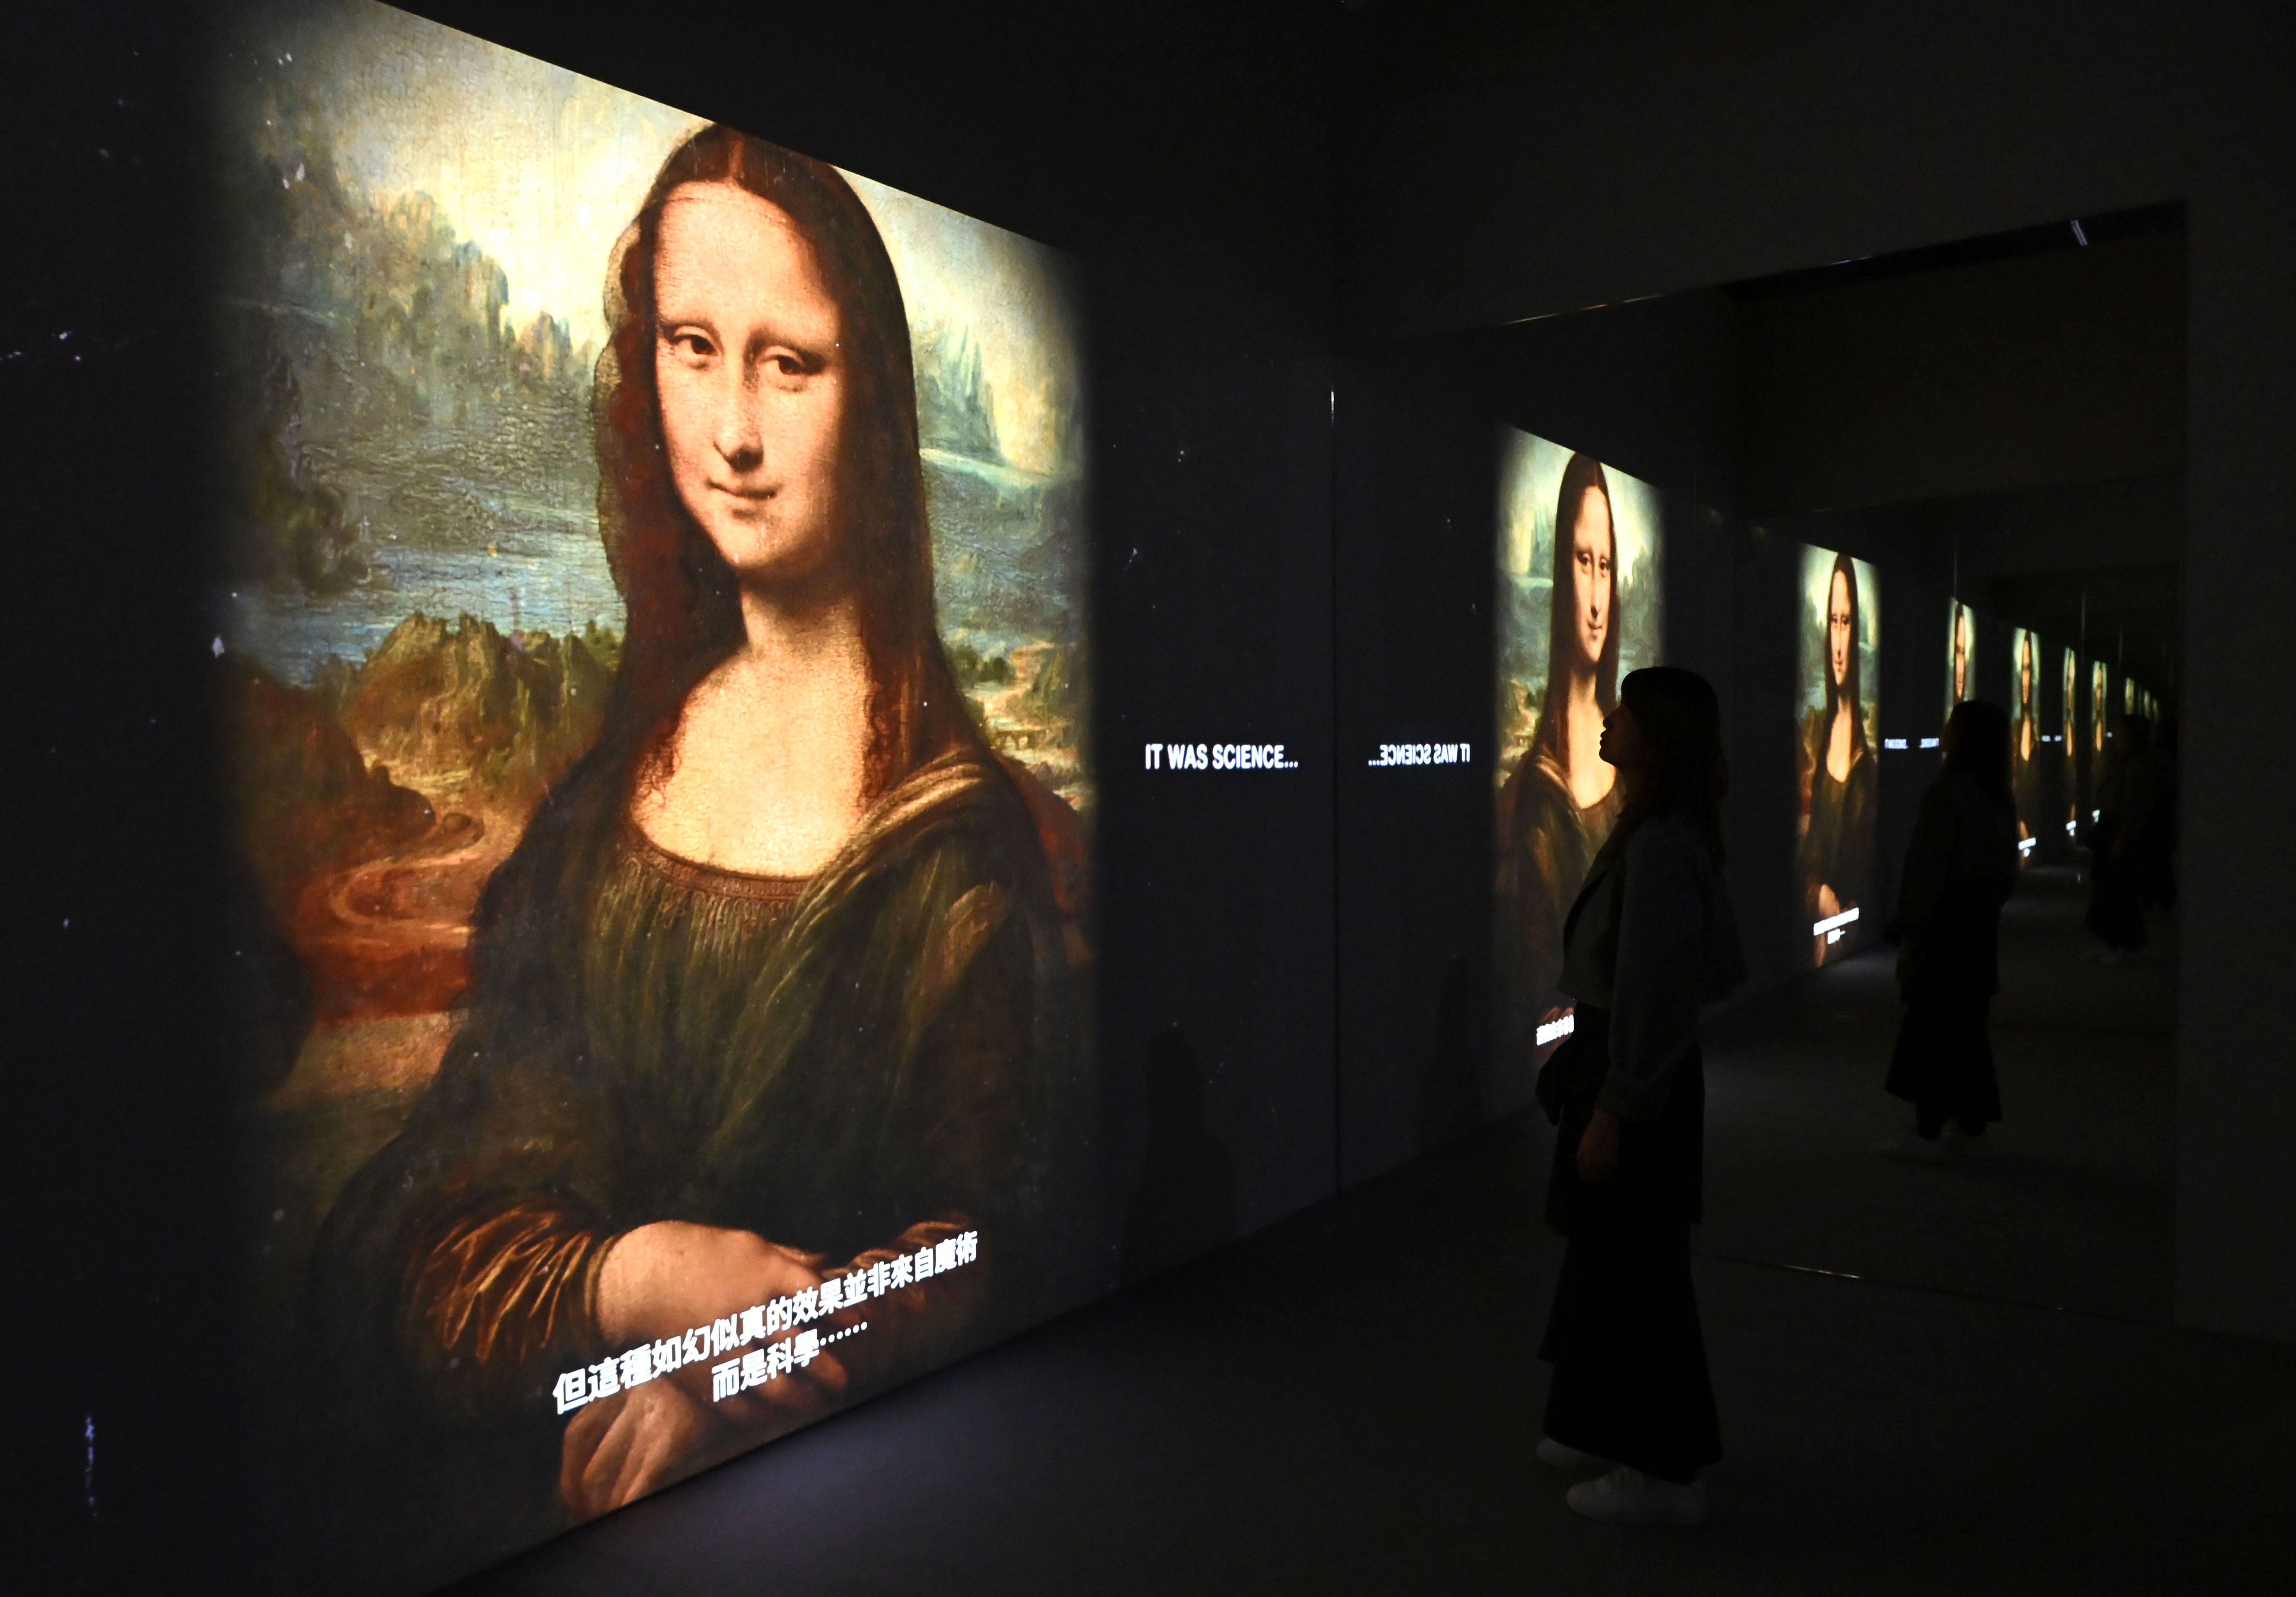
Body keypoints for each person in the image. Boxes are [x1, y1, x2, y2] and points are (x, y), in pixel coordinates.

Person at [302, 126, 1092, 1578]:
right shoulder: (604, 812)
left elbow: (993, 1238)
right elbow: (434, 1219)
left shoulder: (957, 845)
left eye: (788, 363)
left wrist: (745, 1373)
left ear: (872, 401)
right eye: (691, 347)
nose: (732, 430)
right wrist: (637, 1278)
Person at [1532, 666, 1745, 1526]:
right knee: (1610, 1260)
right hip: (1630, 1066)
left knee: (1639, 1275)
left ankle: (1663, 1470)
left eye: (1625, 712)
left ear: (1655, 739)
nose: (1608, 720)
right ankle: (1599, 1426)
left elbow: (1654, 993)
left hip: (1637, 1079)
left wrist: (1614, 1108)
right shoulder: (1659, 831)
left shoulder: (1657, 845)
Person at [1497, 453, 1628, 1075]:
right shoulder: (1528, 789)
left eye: (1606, 566)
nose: (1598, 598)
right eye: (1582, 561)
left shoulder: (1633, 772)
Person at [1883, 700, 2020, 1153]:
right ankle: (1970, 1124)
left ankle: (1928, 1131)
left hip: (1945, 925)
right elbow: (2007, 871)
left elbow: (1927, 873)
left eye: (1952, 723)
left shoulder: (1945, 794)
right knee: (1968, 1027)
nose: (1944, 728)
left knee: (1933, 1027)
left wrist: (1912, 939)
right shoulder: (1998, 795)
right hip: (1979, 926)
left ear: (1964, 737)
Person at [1797, 552, 1875, 966]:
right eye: (1833, 622)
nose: (1840, 643)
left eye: (1847, 623)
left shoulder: (1867, 763)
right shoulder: (1817, 736)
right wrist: (1818, 896)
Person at [2085, 714, 2161, 956]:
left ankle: (2121, 945)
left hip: (2118, 832)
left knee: (2117, 890)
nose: (2116, 733)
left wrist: (2122, 837)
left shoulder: (2136, 767)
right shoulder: (2130, 763)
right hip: (2114, 831)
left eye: (2121, 729)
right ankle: (2112, 942)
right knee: (2110, 889)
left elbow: (2134, 806)